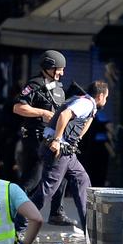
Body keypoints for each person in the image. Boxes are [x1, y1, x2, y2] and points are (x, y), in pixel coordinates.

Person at [31, 80, 110, 231]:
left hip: (67, 152)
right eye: (106, 97)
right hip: (58, 149)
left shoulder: (87, 104)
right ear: (100, 96)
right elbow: (65, 115)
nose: (106, 101)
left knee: (82, 179)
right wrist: (57, 140)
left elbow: (79, 129)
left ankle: (90, 226)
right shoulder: (85, 103)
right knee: (47, 190)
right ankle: (20, 222)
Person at [13, 50, 75, 228]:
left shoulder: (59, 88)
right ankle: (16, 216)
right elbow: (18, 108)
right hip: (35, 139)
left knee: (62, 173)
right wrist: (42, 112)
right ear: (48, 67)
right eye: (58, 69)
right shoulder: (34, 85)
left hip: (53, 139)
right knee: (32, 180)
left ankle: (56, 213)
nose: (61, 73)